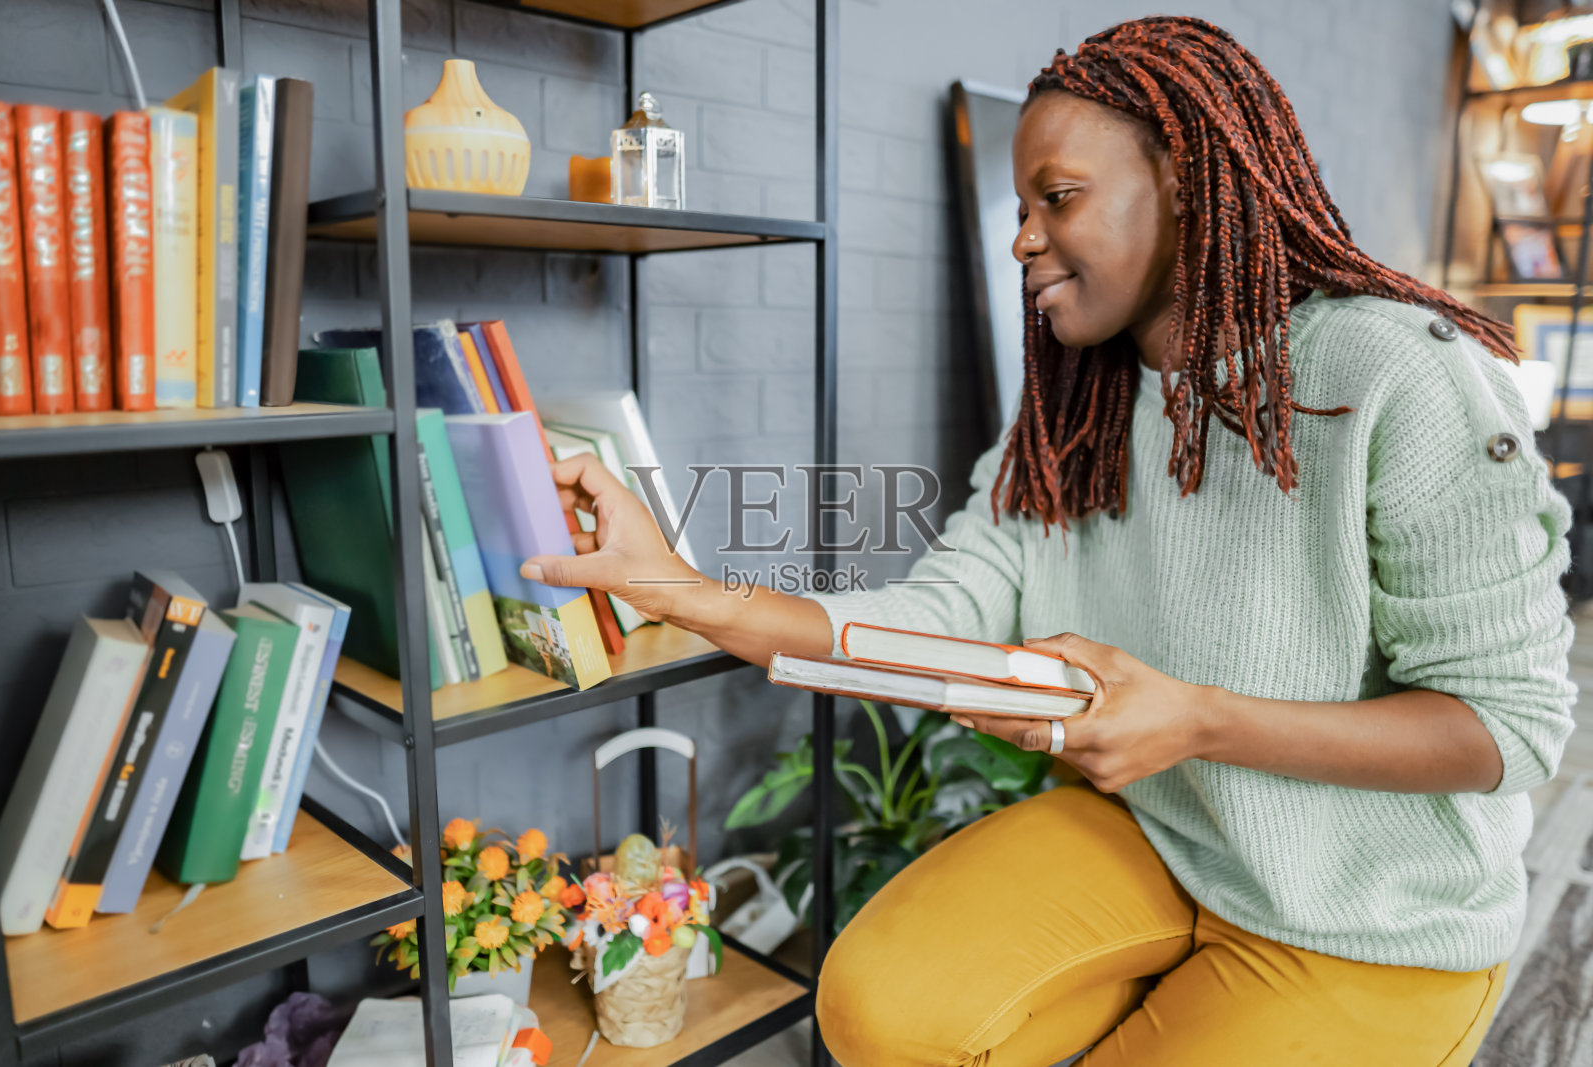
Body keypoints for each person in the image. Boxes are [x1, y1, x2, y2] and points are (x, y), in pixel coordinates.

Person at [520, 16, 1575, 1066]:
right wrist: (681, 587)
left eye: (1057, 198)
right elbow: (938, 616)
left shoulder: (1401, 376)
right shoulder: (1074, 406)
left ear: (1183, 177)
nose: (1021, 236)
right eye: (1021, 207)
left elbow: (1509, 727)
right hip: (1167, 838)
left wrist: (1197, 720)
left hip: (1372, 921)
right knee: (878, 1008)